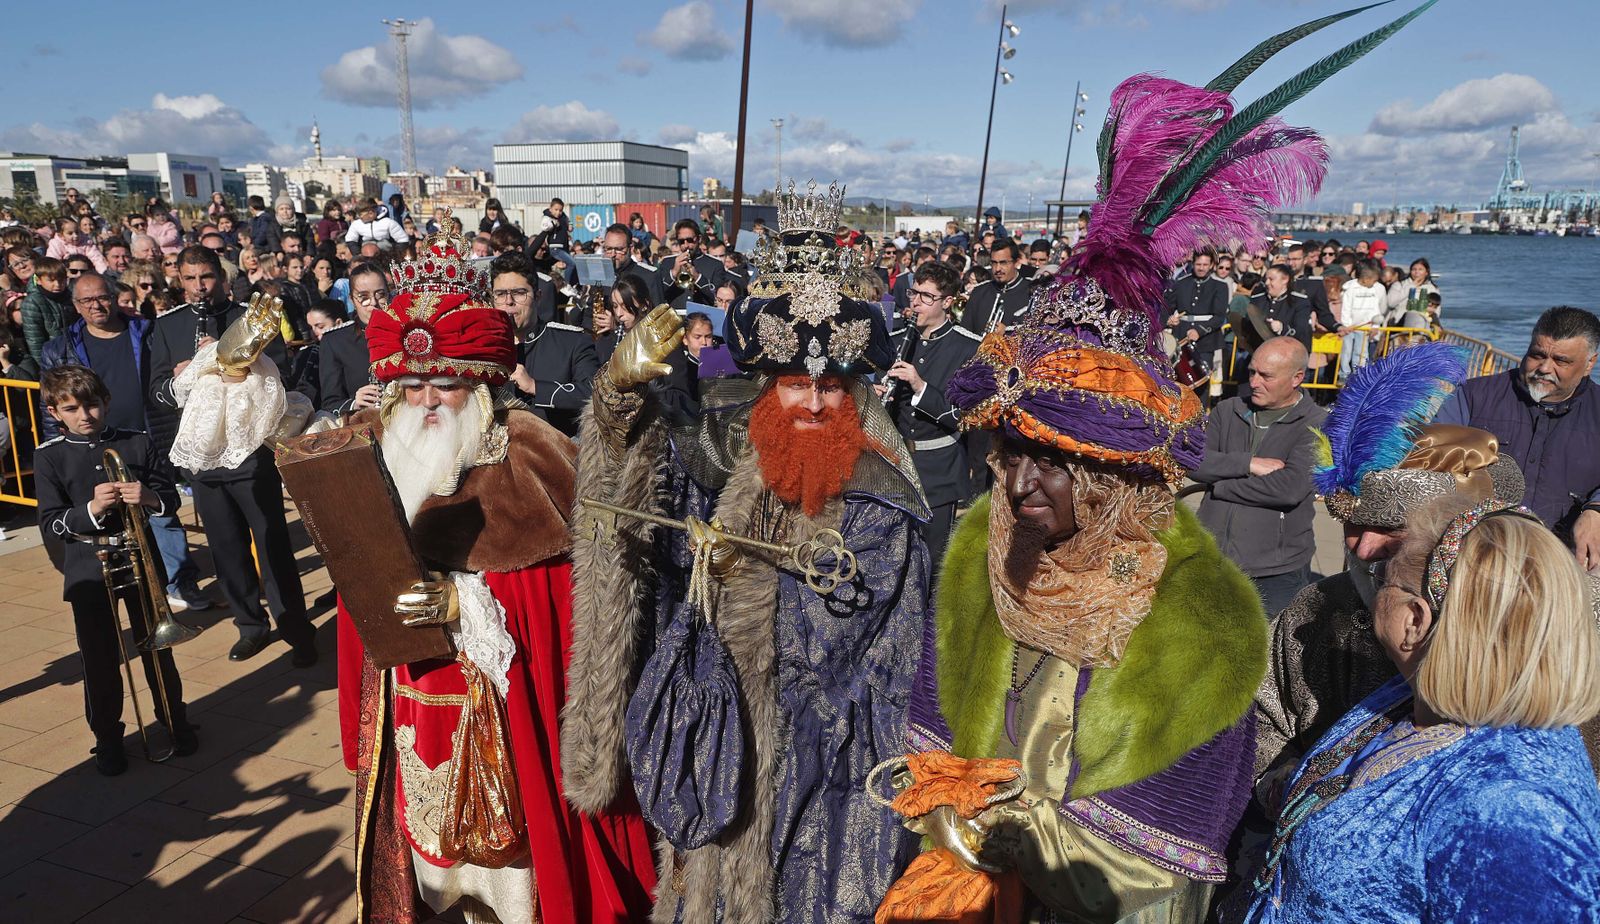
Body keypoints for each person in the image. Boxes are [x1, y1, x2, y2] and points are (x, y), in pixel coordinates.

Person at [563, 180, 934, 922]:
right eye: (797, 384)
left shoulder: (882, 492)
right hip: (718, 749)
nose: (817, 404)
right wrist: (617, 395)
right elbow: (623, 516)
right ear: (768, 385)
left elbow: (884, 643)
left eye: (834, 387)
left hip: (831, 769)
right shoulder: (719, 448)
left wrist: (747, 568)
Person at [309, 227, 659, 923]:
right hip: (410, 707)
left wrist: (464, 601)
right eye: (410, 386)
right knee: (434, 875)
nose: (426, 400)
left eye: (444, 383)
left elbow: (562, 606)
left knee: (513, 877)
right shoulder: (375, 454)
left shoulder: (532, 458)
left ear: (481, 384)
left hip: (508, 714)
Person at [1243, 497, 1600, 922]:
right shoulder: (1412, 695)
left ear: (1415, 619)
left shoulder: (1515, 816)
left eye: (1384, 577)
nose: (1371, 578)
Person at [145, 245, 316, 664]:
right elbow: (156, 392)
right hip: (204, 456)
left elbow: (280, 377)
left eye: (206, 277)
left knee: (273, 543)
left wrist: (237, 364)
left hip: (250, 451)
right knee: (225, 546)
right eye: (190, 279)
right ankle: (250, 626)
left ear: (220, 278)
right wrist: (183, 379)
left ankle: (296, 628)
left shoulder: (250, 314)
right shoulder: (167, 326)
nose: (199, 287)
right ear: (179, 281)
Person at [35, 365, 198, 775]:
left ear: (106, 402)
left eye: (91, 405)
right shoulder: (49, 456)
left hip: (140, 559)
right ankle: (107, 738)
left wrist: (148, 497)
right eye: (71, 408)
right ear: (55, 411)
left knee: (157, 649)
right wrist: (90, 509)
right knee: (99, 658)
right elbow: (51, 522)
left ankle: (175, 722)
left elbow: (170, 500)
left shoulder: (136, 443)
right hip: (90, 566)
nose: (84, 415)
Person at [37, 271, 208, 611]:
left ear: (114, 298)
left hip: (144, 433)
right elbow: (50, 404)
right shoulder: (60, 347)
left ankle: (179, 581)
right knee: (108, 514)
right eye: (86, 301)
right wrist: (56, 443)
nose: (96, 305)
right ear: (76, 305)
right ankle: (122, 585)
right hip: (92, 442)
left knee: (159, 509)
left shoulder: (143, 331)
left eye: (101, 297)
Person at [1433, 306, 1600, 566]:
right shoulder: (1473, 396)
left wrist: (1595, 511)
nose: (1544, 368)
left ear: (1590, 363)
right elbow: (1429, 462)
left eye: (1561, 361)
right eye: (1537, 355)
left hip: (1563, 566)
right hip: (1474, 557)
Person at [1192, 337, 1326, 614]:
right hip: (1210, 557)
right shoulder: (1227, 411)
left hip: (1275, 571)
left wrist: (1220, 486)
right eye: (1252, 371)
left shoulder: (1317, 424)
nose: (1254, 382)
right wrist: (1248, 463)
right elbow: (1193, 463)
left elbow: (1289, 489)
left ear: (1296, 378)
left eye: (1266, 376)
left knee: (1265, 653)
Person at [883, 260, 982, 568]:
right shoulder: (898, 339)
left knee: (932, 558)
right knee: (895, 555)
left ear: (948, 302)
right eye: (914, 294)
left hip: (939, 471)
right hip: (897, 466)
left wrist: (920, 385)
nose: (915, 303)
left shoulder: (967, 347)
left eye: (927, 297)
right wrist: (877, 397)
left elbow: (964, 417)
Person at [495, 252, 598, 437]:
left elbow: (594, 392)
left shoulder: (573, 341)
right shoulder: (484, 347)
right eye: (501, 294)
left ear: (538, 296)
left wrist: (535, 387)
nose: (509, 301)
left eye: (519, 293)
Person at [317, 261, 387, 418]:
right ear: (352, 300)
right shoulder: (335, 341)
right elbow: (329, 405)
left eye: (380, 294)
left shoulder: (408, 333)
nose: (374, 303)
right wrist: (354, 403)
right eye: (363, 296)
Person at [1163, 248, 1230, 361]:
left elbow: (1219, 316)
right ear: (1193, 263)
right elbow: (1166, 308)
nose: (1201, 268)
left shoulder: (1220, 287)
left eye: (1205, 264)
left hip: (1207, 339)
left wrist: (1199, 331)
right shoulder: (1180, 284)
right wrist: (1168, 320)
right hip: (1181, 336)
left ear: (1211, 265)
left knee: (1203, 377)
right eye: (1198, 264)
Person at [960, 237, 1031, 334]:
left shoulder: (1031, 292)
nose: (997, 268)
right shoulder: (979, 292)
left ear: (1017, 262)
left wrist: (1007, 333)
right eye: (994, 263)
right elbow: (965, 333)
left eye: (1003, 263)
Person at [656, 218, 726, 308]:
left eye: (690, 240)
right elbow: (657, 295)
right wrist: (673, 273)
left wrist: (698, 277)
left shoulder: (715, 264)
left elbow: (718, 297)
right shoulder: (667, 262)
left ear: (699, 239)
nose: (686, 245)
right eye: (681, 241)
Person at [600, 222, 663, 305]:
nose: (613, 254)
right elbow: (588, 314)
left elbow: (658, 314)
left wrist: (615, 318)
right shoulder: (598, 277)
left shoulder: (649, 277)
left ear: (631, 248)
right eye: (608, 249)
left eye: (619, 249)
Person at [345, 200, 409, 251]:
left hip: (386, 254)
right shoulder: (356, 224)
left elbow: (403, 239)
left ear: (370, 213)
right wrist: (358, 254)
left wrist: (395, 254)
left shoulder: (388, 222)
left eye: (361, 214)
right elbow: (350, 239)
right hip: (365, 255)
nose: (359, 217)